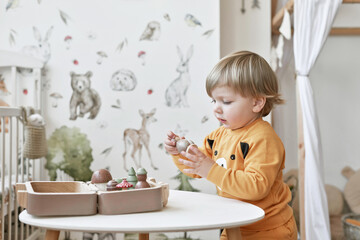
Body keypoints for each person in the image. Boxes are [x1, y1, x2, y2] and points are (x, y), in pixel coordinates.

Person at [164, 51, 297, 239]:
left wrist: (211, 169)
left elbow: (256, 186)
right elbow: (197, 168)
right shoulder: (219, 135)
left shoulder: (263, 139)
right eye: (214, 100)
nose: (216, 108)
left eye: (226, 101)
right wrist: (180, 152)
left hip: (268, 230)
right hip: (234, 224)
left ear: (257, 102)